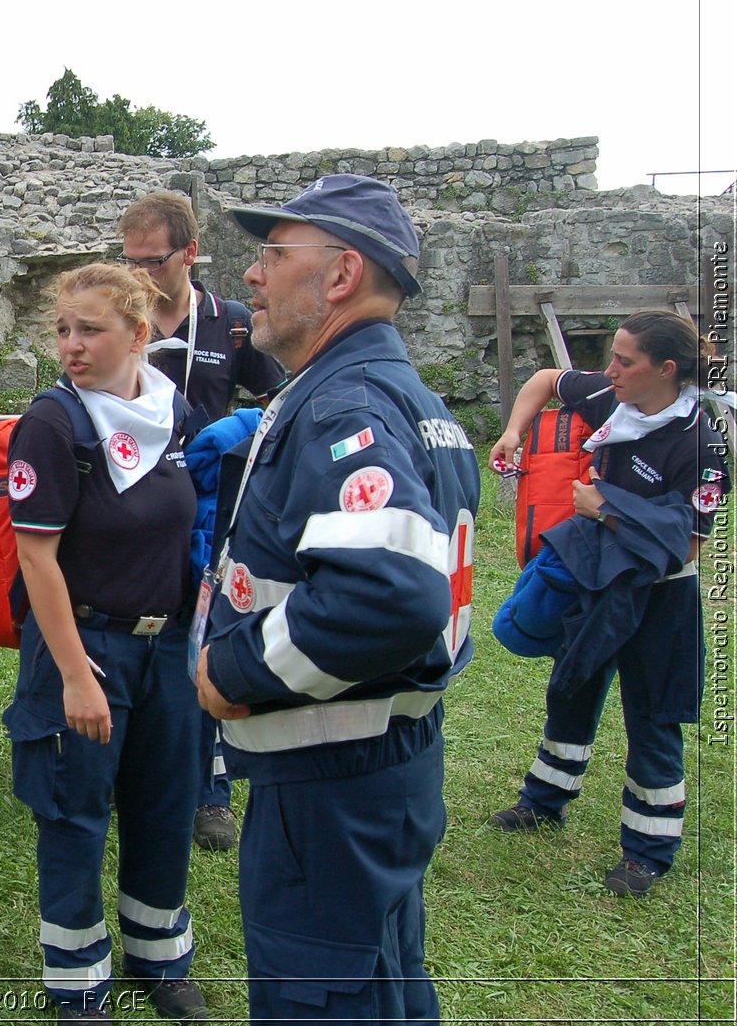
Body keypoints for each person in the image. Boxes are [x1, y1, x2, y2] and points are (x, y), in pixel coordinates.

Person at [196, 175, 480, 1022]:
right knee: (387, 985)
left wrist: (235, 671)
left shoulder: (343, 404)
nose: (253, 275)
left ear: (342, 274)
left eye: (275, 254)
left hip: (329, 787)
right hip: (384, 763)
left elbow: (395, 594)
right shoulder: (411, 399)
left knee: (321, 1001)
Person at [5, 262, 208, 1022]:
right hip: (85, 646)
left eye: (89, 329)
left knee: (165, 803)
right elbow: (36, 556)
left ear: (138, 333)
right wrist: (75, 677)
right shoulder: (54, 422)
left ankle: (160, 957)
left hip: (169, 650)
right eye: (63, 329)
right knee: (75, 812)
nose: (71, 346)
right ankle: (78, 979)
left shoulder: (174, 413)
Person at [487, 309, 729, 897]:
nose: (610, 370)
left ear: (665, 370)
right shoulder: (612, 400)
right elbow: (545, 380)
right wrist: (514, 431)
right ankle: (545, 801)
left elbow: (686, 547)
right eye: (612, 357)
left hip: (659, 598)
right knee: (572, 684)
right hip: (596, 581)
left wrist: (606, 510)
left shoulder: (702, 445)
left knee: (653, 716)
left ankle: (648, 850)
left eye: (625, 360)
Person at [118, 190, 284, 853]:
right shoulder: (118, 316)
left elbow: (283, 404)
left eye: (151, 261)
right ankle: (129, 768)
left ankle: (211, 791)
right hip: (132, 512)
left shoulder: (233, 323)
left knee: (205, 640)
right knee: (135, 637)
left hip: (210, 516)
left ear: (189, 253)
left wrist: (243, 426)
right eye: (127, 260)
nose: (137, 275)